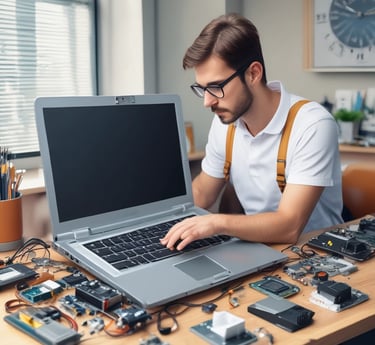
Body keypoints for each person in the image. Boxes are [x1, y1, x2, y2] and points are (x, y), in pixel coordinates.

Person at [160, 13, 343, 251]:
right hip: (257, 250)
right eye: (202, 89)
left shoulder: (313, 125)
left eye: (215, 87)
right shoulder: (225, 123)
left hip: (315, 254)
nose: (207, 102)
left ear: (254, 73)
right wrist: (142, 218)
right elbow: (202, 193)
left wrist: (215, 222)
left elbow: (289, 225)